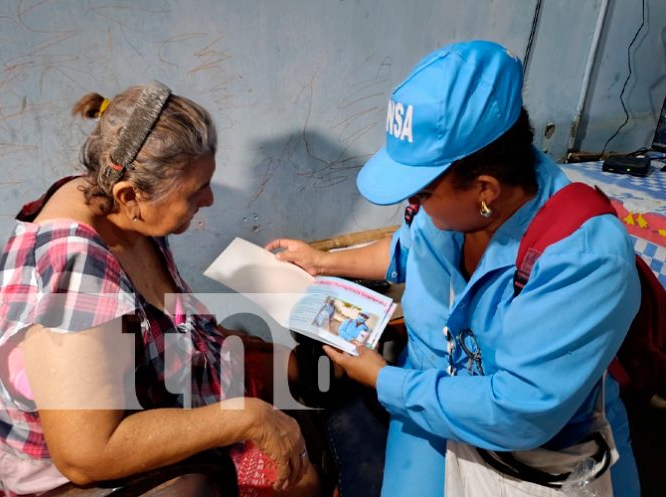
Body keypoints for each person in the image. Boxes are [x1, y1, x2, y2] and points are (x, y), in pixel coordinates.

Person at [266, 40, 640, 497]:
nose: (412, 206)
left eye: (421, 195)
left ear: (485, 189)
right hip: (425, 415)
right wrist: (324, 261)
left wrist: (384, 380)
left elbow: (518, 412)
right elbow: (409, 248)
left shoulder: (584, 258)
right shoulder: (453, 211)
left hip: (529, 456)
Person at [0, 81, 319, 497]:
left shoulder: (116, 203)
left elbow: (172, 328)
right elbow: (86, 455)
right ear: (129, 194)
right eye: (195, 192)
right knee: (299, 483)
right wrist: (247, 418)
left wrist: (282, 363)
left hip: (156, 388)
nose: (208, 199)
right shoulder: (75, 271)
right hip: (84, 476)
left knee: (316, 376)